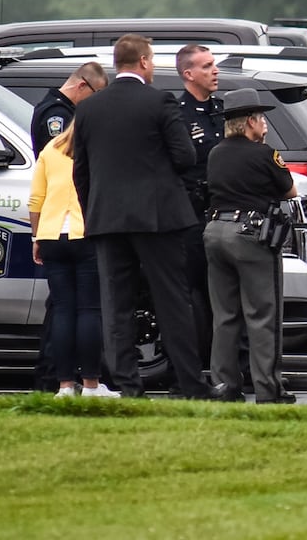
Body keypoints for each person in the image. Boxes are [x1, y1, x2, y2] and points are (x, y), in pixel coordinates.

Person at [72, 33, 209, 399]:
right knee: (172, 301)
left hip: (107, 219)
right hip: (157, 218)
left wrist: (93, 212)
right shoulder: (159, 101)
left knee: (116, 305)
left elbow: (80, 172)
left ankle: (128, 386)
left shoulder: (88, 109)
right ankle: (191, 384)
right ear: (145, 62)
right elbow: (185, 157)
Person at [203, 89, 296, 403]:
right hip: (249, 234)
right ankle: (268, 387)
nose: (265, 124)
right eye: (261, 118)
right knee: (262, 314)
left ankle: (224, 384)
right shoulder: (263, 153)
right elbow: (290, 189)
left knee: (225, 314)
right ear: (250, 122)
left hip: (215, 231)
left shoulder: (215, 152)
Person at [27, 61, 106, 393]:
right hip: (81, 232)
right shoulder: (91, 148)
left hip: (50, 235)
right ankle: (90, 383)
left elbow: (36, 199)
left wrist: (36, 237)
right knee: (88, 309)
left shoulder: (50, 149)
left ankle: (62, 385)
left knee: (62, 311)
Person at [176, 44, 222, 370]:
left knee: (223, 290)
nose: (215, 71)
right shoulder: (178, 114)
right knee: (195, 289)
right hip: (192, 213)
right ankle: (197, 360)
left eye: (214, 65)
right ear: (188, 74)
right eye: (207, 66)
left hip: (223, 211)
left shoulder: (223, 109)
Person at [30, 62, 107, 154]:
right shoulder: (57, 114)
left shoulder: (60, 108)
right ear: (82, 86)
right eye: (95, 94)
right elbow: (60, 156)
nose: (96, 100)